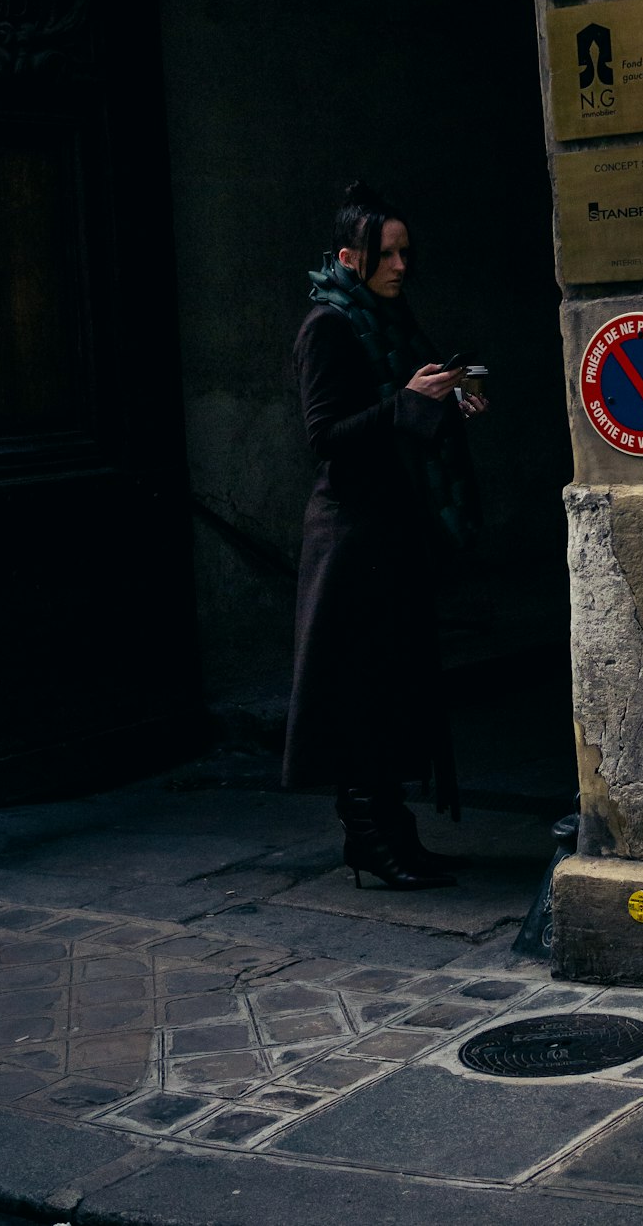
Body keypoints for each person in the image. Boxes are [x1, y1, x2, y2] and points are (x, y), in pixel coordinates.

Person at [282, 181, 489, 890]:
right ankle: (370, 839)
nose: (401, 265)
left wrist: (447, 403)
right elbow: (327, 437)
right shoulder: (329, 325)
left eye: (405, 251)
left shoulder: (391, 320)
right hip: (352, 540)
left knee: (395, 688)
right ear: (349, 257)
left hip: (392, 533)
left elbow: (402, 421)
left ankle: (395, 834)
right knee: (362, 692)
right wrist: (406, 402)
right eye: (386, 253)